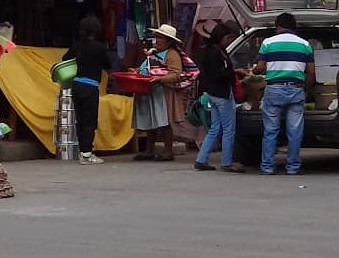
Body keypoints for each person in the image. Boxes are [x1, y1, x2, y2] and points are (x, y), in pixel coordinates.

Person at [253, 12, 314, 175]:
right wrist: (306, 89)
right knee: (295, 131)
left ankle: (267, 166)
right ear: (294, 27)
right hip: (295, 89)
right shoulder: (305, 44)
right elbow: (311, 73)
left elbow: (261, 68)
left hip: (274, 89)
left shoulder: (267, 43)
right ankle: (293, 167)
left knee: (271, 130)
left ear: (277, 26)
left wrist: (255, 69)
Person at [193, 21, 244, 173]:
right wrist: (235, 72)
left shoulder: (211, 50)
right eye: (228, 38)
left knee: (215, 128)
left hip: (213, 94)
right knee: (228, 129)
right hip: (222, 94)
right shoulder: (216, 53)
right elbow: (218, 74)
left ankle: (201, 159)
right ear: (222, 37)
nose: (229, 41)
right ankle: (226, 162)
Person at [133, 24, 184, 162]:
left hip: (163, 92)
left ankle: (168, 151)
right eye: (157, 37)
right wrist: (136, 71)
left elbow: (176, 74)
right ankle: (149, 150)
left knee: (164, 122)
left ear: (169, 41)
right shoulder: (154, 53)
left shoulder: (172, 55)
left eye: (161, 38)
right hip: (151, 91)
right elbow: (147, 67)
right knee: (152, 120)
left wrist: (160, 79)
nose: (158, 40)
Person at [65, 16, 111, 165]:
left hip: (76, 86)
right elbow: (108, 65)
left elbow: (65, 58)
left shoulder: (77, 46)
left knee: (80, 120)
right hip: (90, 87)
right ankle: (87, 154)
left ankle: (82, 151)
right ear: (96, 30)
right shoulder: (99, 47)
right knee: (90, 121)